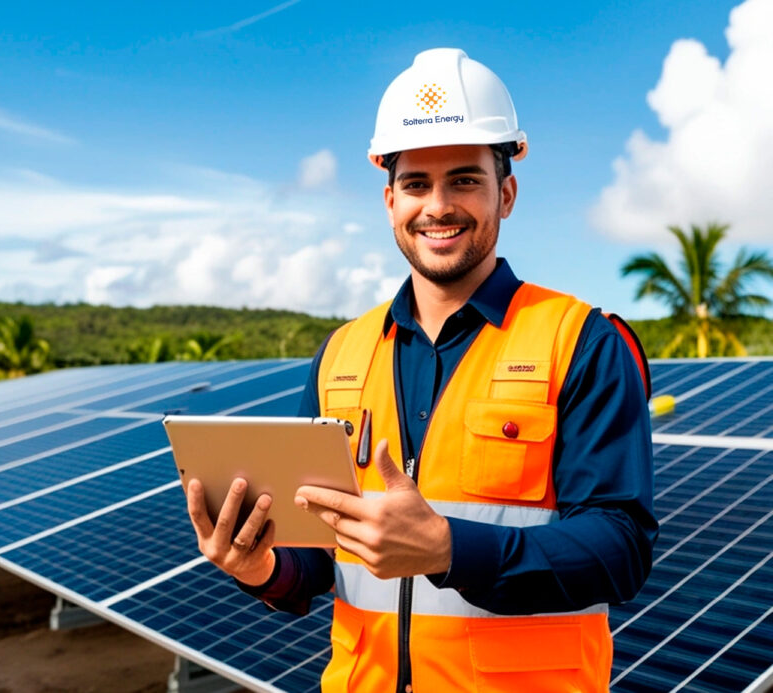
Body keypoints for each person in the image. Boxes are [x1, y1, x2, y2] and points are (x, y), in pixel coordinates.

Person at [185, 48, 657, 692]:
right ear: (389, 200)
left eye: (465, 179)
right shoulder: (341, 353)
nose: (438, 206)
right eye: (416, 184)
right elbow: (318, 558)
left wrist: (450, 549)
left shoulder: (582, 342)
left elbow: (620, 549)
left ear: (506, 193)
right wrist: (261, 566)